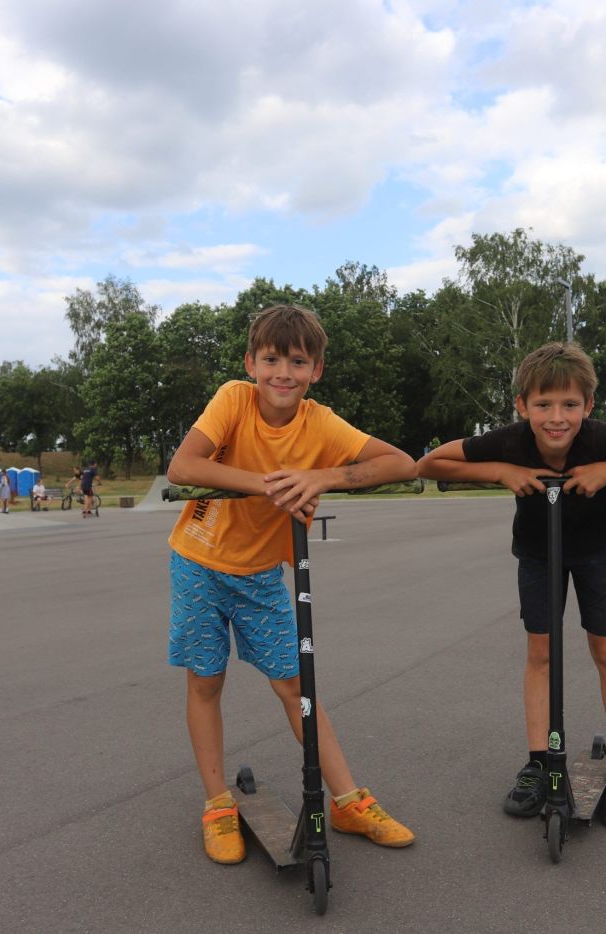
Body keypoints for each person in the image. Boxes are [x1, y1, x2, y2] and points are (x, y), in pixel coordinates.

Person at [416, 342, 606, 829]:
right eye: (543, 405)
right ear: (522, 406)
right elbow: (429, 464)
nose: (557, 418)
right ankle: (538, 762)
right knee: (540, 653)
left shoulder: (600, 438)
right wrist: (501, 472)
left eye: (570, 405)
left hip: (597, 552)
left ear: (588, 406)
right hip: (537, 554)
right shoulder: (510, 441)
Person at [165, 303, 418, 864]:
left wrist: (322, 475)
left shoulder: (320, 424)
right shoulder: (233, 399)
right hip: (199, 564)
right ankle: (216, 804)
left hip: (259, 576)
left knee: (295, 685)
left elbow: (402, 463)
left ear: (316, 370)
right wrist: (273, 485)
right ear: (251, 362)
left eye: (297, 362)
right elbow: (184, 466)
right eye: (272, 359)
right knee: (206, 681)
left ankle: (349, 801)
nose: (283, 372)